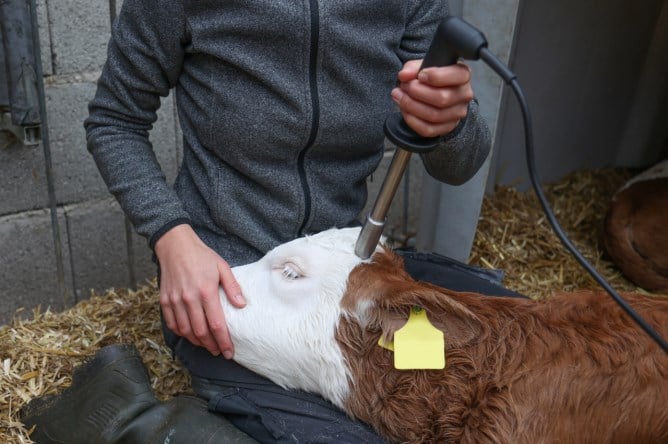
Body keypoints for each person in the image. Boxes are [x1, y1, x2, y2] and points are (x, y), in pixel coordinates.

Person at [22, 0, 502, 442]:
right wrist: (171, 236)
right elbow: (114, 121)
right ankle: (126, 416)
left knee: (507, 354)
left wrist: (450, 122)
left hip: (344, 269)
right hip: (234, 287)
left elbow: (460, 165)